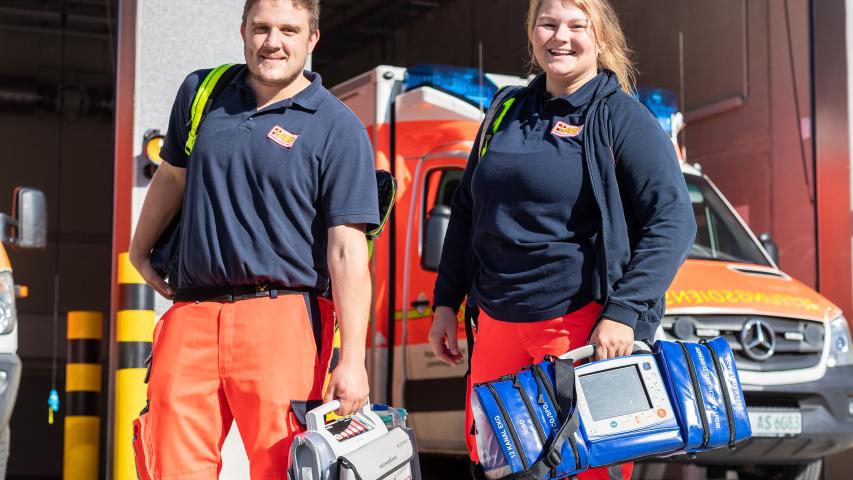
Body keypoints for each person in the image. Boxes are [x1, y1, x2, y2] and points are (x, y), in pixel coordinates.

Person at [428, 0, 696, 478]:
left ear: (601, 37)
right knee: (496, 466)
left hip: (579, 328)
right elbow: (468, 210)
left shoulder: (620, 116)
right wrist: (446, 300)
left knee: (578, 467)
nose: (561, 37)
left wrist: (624, 313)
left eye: (577, 25)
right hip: (496, 323)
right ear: (532, 32)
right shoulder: (506, 110)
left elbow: (674, 219)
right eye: (548, 24)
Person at [128, 0, 379, 477]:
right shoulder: (202, 94)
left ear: (312, 38)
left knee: (283, 466)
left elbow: (348, 251)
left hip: (283, 318)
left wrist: (353, 361)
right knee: (171, 463)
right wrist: (139, 249)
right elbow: (173, 177)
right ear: (243, 29)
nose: (273, 42)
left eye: (289, 30)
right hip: (193, 312)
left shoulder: (338, 127)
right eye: (261, 28)